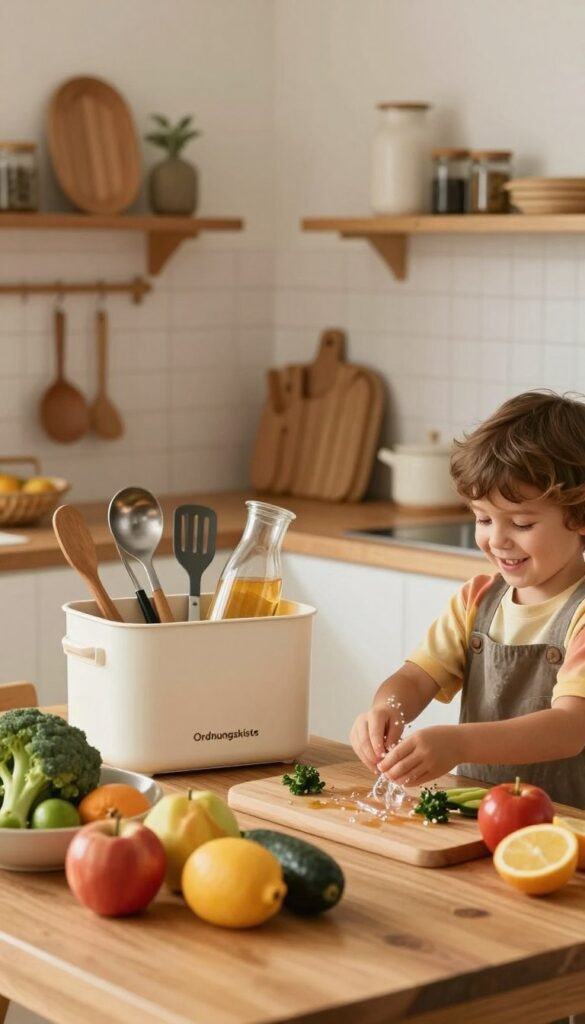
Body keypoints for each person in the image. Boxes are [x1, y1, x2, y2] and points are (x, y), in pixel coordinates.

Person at [350, 390, 585, 807]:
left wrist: (458, 744)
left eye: (522, 522)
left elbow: (571, 726)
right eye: (482, 518)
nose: (497, 539)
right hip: (475, 818)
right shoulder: (474, 600)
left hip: (565, 832)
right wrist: (384, 711)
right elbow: (415, 678)